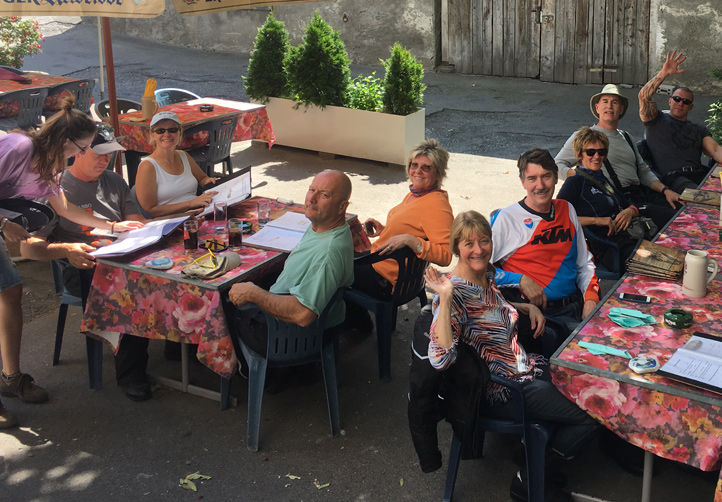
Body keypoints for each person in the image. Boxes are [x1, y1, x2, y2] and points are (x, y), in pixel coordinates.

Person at [426, 211, 599, 502]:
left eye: (484, 241)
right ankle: (529, 478)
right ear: (456, 247)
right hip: (502, 389)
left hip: (523, 367)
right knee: (594, 411)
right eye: (468, 244)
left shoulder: (485, 276)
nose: (478, 249)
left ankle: (532, 453)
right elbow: (440, 358)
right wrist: (443, 299)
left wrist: (525, 307)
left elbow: (493, 307)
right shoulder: (452, 293)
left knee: (586, 381)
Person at [0, 97, 142, 428]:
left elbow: (65, 209)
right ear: (65, 140)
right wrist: (3, 225)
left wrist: (113, 226)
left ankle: (10, 378)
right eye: (83, 147)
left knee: (10, 292)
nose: (82, 154)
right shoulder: (20, 146)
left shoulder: (51, 166)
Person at [20, 122, 152, 401]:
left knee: (171, 274)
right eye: (99, 154)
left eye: (110, 154)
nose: (106, 160)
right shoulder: (55, 188)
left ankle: (180, 348)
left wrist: (143, 231)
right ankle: (132, 374)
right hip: (81, 269)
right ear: (76, 152)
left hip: (125, 258)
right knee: (130, 292)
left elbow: (138, 220)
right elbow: (29, 249)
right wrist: (66, 250)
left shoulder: (114, 180)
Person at [227, 170, 356, 354]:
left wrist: (254, 294)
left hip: (290, 335)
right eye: (312, 189)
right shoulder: (324, 226)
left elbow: (304, 314)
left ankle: (249, 372)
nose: (312, 198)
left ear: (342, 207)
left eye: (324, 195)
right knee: (248, 281)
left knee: (223, 305)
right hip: (297, 315)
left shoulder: (328, 252)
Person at [491, 148, 600, 355]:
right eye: (532, 178)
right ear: (523, 182)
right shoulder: (506, 219)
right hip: (540, 318)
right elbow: (475, 272)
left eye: (546, 177)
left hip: (577, 306)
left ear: (555, 178)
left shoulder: (567, 209)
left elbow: (584, 263)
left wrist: (591, 298)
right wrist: (519, 279)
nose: (540, 186)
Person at [345, 139, 454, 332]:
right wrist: (386, 230)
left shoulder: (436, 205)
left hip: (385, 279)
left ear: (438, 172)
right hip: (383, 264)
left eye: (426, 167)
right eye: (414, 165)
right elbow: (414, 226)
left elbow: (446, 255)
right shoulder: (417, 194)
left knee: (333, 268)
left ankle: (356, 325)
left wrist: (411, 241)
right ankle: (356, 322)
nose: (418, 171)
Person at [553, 83, 682, 231]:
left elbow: (643, 170)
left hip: (640, 195)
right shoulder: (585, 137)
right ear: (597, 107)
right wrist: (581, 176)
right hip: (617, 200)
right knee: (672, 223)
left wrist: (666, 190)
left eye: (615, 102)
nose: (609, 106)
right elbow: (556, 165)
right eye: (605, 102)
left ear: (621, 109)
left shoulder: (626, 136)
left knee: (681, 214)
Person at [637, 50, 722, 192]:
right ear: (670, 101)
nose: (680, 103)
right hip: (674, 178)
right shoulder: (656, 119)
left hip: (699, 174)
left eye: (685, 102)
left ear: (690, 107)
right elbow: (643, 96)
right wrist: (664, 72)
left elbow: (715, 149)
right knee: (704, 197)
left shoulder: (698, 128)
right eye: (677, 99)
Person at [556, 127, 643, 272]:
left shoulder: (602, 179)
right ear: (579, 154)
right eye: (590, 152)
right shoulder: (575, 182)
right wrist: (596, 220)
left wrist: (630, 211)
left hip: (628, 237)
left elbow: (629, 204)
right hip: (609, 247)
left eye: (601, 152)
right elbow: (559, 219)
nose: (596, 156)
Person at [134, 111, 218, 218]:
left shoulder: (184, 156)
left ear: (180, 133)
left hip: (199, 212)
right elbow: (150, 210)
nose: (167, 134)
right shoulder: (148, 166)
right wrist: (190, 204)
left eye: (172, 130)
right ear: (152, 135)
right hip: (172, 222)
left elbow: (202, 178)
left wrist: (208, 181)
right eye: (160, 131)